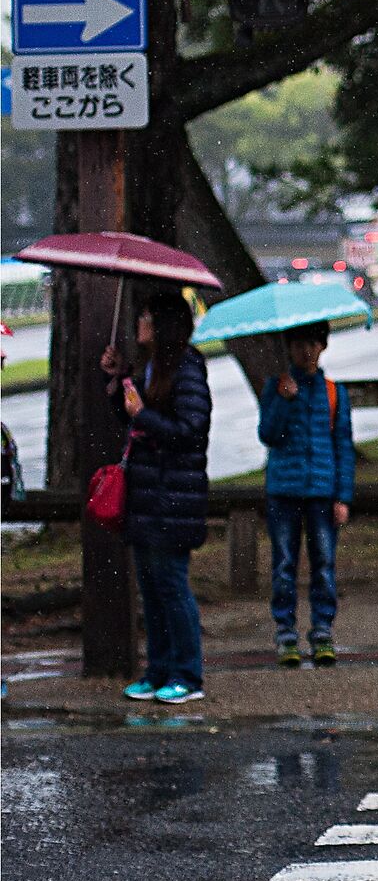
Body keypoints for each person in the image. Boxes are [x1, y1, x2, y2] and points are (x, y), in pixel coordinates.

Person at [101, 293, 212, 704]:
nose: (139, 321)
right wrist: (117, 383)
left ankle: (188, 674)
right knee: (150, 587)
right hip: (148, 495)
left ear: (164, 323)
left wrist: (141, 415)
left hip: (173, 497)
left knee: (171, 586)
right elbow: (133, 420)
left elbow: (190, 429)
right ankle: (158, 670)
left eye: (146, 315)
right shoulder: (150, 369)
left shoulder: (187, 367)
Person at [257, 321, 356, 667]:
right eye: (299, 344)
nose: (306, 351)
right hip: (284, 490)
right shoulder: (277, 386)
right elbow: (268, 434)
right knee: (284, 564)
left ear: (322, 346)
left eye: (312, 343)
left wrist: (342, 496)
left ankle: (322, 631)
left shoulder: (333, 392)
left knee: (324, 565)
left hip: (321, 492)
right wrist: (283, 401)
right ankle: (286, 633)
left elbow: (343, 444)